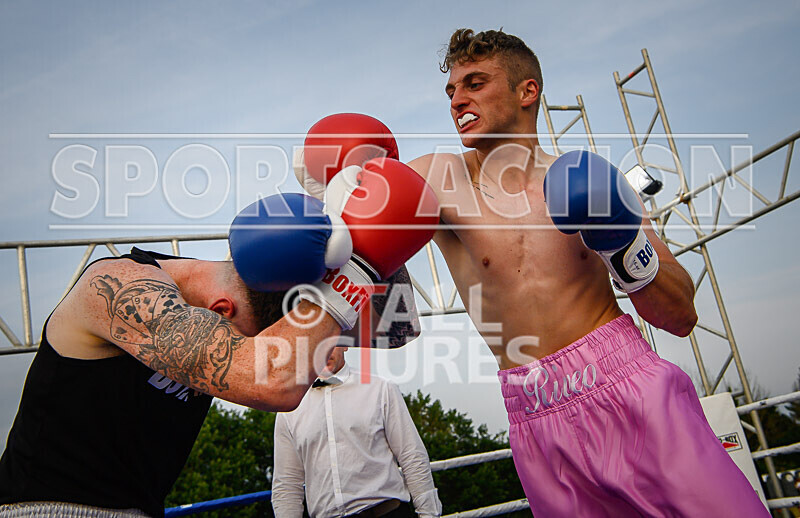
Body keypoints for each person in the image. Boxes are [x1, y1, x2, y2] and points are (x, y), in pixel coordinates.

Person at [394, 29, 768, 517]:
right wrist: (334, 182)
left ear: (527, 91)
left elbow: (680, 315)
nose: (457, 100)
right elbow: (356, 217)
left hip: (627, 384)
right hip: (534, 416)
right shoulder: (439, 178)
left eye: (475, 83)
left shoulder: (588, 178)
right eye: (451, 90)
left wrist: (623, 242)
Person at [0, 181, 435, 517]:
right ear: (221, 311)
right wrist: (354, 272)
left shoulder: (238, 303)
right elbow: (273, 380)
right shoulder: (116, 287)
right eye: (257, 340)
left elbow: (390, 330)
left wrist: (351, 222)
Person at [272, 346, 442, 518]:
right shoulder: (289, 408)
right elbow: (286, 483)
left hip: (386, 513)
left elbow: (412, 455)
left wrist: (429, 514)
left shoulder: (381, 388)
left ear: (346, 344)